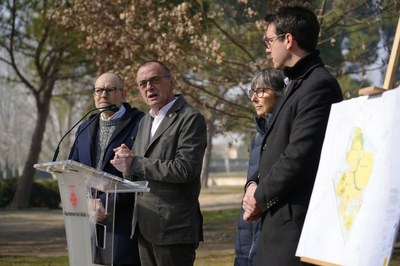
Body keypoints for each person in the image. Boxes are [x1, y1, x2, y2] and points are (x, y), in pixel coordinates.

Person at [242, 2, 343, 265]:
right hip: (278, 223)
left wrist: (260, 197)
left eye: (268, 41)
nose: (267, 49)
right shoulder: (294, 84)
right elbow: (272, 148)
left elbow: (300, 155)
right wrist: (253, 183)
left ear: (288, 40)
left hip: (297, 227)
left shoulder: (319, 85)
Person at [110, 60, 207, 266]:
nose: (148, 87)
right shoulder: (146, 120)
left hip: (173, 228)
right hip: (144, 225)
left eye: (154, 80)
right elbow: (140, 171)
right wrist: (126, 165)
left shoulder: (190, 118)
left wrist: (135, 163)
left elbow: (185, 169)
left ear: (171, 82)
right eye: (142, 83)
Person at [69, 72, 144, 266]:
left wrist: (105, 203)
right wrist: (87, 201)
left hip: (124, 220)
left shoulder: (140, 123)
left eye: (110, 90)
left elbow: (140, 174)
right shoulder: (84, 127)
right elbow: (74, 169)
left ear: (123, 94)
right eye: (98, 90)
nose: (103, 95)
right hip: (88, 218)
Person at [234, 68, 284, 266]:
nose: (254, 98)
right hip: (247, 228)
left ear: (281, 93)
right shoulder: (257, 137)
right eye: (252, 92)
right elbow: (253, 179)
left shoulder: (285, 134)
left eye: (261, 91)